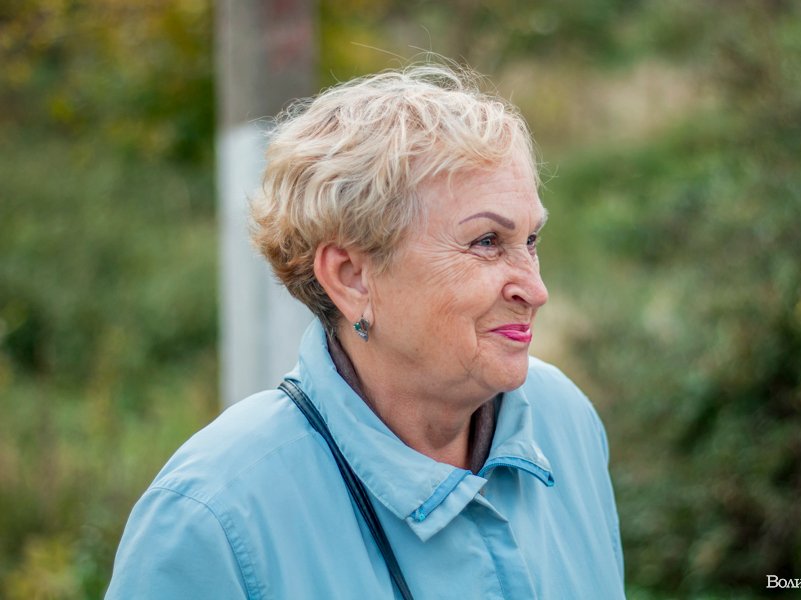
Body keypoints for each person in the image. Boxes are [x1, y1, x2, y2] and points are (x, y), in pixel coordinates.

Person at [106, 65, 625, 599]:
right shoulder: (209, 519)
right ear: (352, 277)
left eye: (531, 240)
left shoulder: (565, 422)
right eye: (487, 242)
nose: (535, 290)